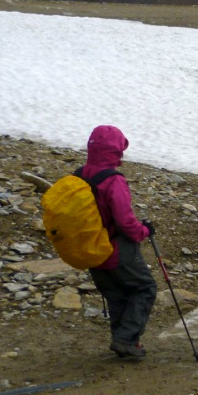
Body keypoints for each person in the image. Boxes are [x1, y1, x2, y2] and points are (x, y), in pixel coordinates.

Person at [81, 125, 157, 360]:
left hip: (89, 247)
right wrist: (144, 231)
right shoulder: (112, 180)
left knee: (116, 294)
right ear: (117, 149)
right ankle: (125, 340)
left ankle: (124, 342)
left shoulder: (80, 174)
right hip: (115, 247)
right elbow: (125, 222)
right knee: (144, 288)